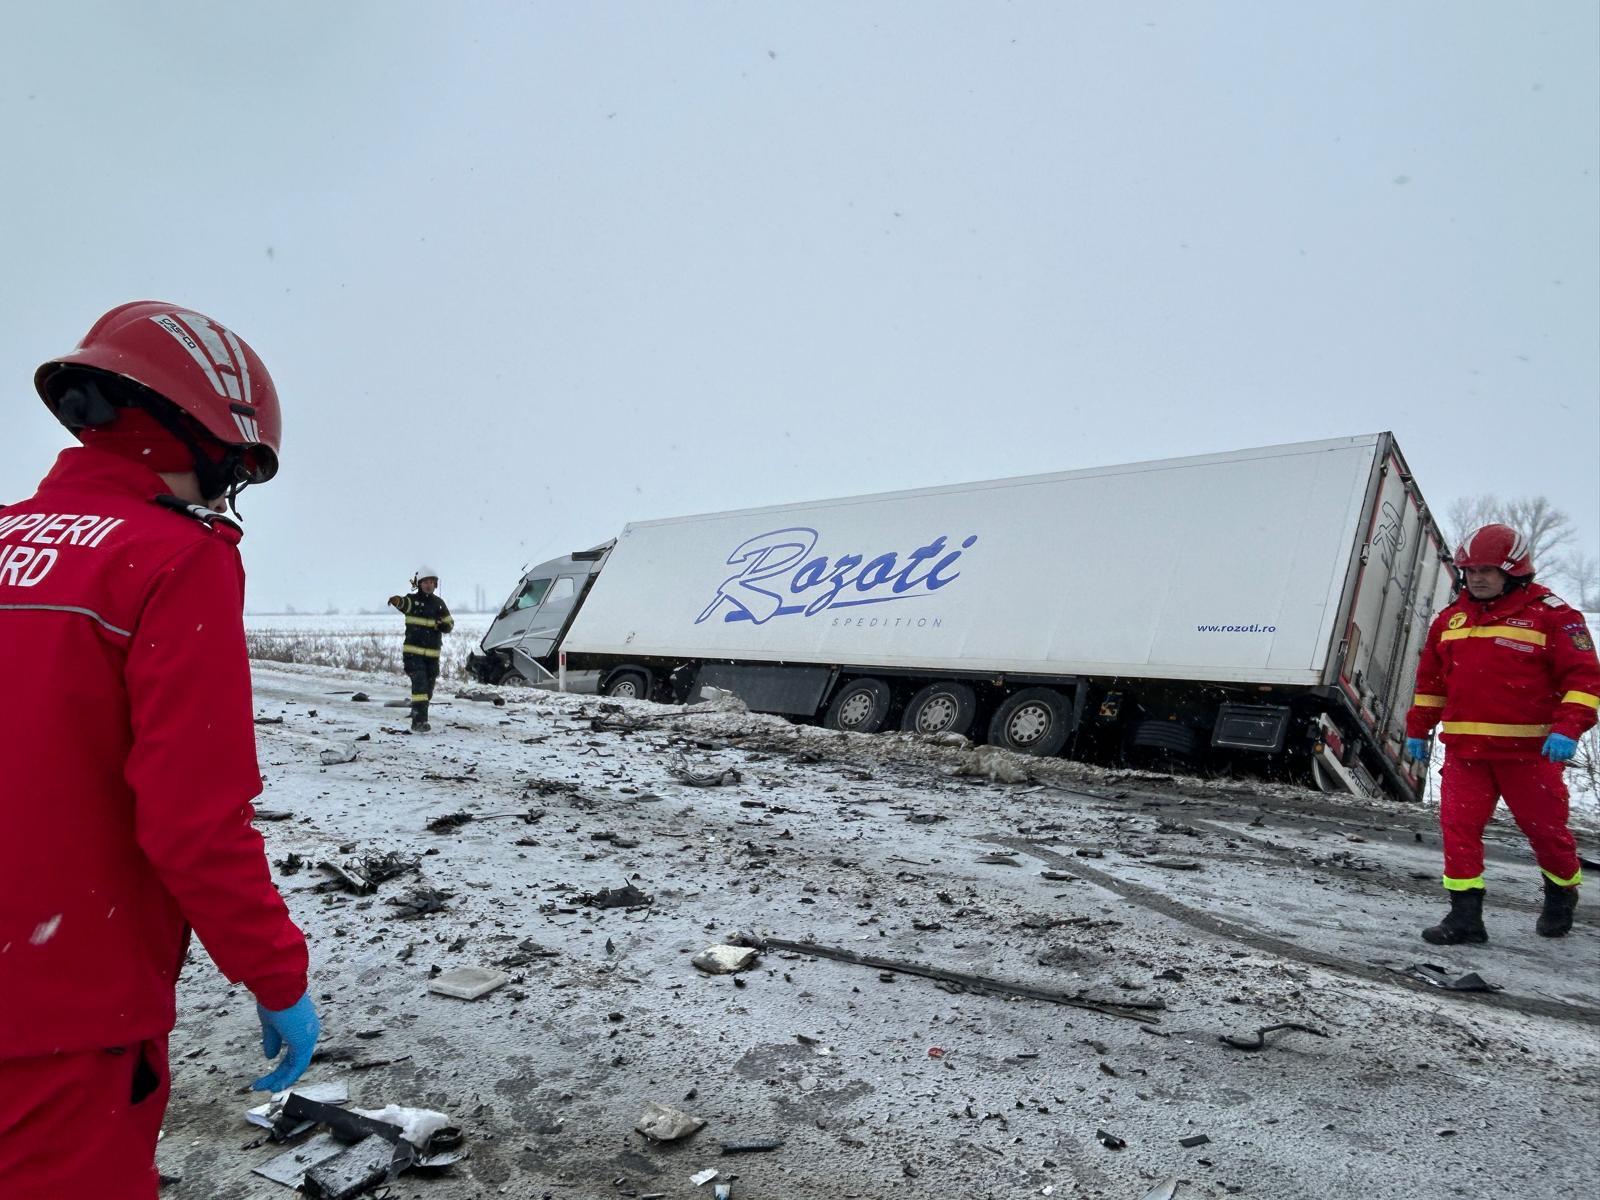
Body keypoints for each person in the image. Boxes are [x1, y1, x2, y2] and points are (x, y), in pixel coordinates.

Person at [0, 302, 320, 1198]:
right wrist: (276, 974)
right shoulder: (173, 558)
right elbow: (192, 820)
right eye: (233, 476)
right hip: (58, 1012)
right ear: (212, 435)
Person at [1404, 523, 1599, 944]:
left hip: (1529, 754)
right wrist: (1418, 728)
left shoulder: (1554, 616)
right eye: (1470, 569)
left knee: (1546, 834)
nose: (1477, 577)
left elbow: (1584, 681)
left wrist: (1568, 728)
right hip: (1465, 752)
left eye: (1488, 570)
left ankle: (1562, 891)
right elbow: (1431, 684)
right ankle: (1465, 918)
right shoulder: (1450, 618)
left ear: (1514, 572)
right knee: (1458, 831)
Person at [389, 567, 454, 732]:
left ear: (435, 585)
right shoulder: (413, 601)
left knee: (427, 690)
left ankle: (417, 711)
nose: (429, 585)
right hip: (413, 655)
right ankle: (419, 722)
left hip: (432, 656)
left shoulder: (439, 604)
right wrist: (397, 600)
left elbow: (450, 624)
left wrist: (444, 625)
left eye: (432, 582)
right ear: (419, 584)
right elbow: (404, 604)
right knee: (420, 686)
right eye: (425, 582)